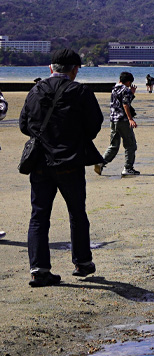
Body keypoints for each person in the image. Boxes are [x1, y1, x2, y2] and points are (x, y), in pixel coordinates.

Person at [20, 48, 104, 287]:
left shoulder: (36, 90)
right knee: (77, 213)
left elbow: (24, 125)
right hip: (70, 161)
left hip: (40, 162)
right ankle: (82, 262)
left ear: (50, 68)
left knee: (39, 216)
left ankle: (39, 269)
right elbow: (94, 124)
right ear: (75, 70)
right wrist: (73, 138)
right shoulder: (81, 92)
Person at [98, 71, 139, 177]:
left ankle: (101, 162)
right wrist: (130, 119)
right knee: (130, 145)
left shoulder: (114, 88)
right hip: (123, 120)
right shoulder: (126, 89)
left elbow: (119, 103)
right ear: (128, 82)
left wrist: (131, 94)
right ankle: (128, 168)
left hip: (113, 120)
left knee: (114, 145)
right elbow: (125, 104)